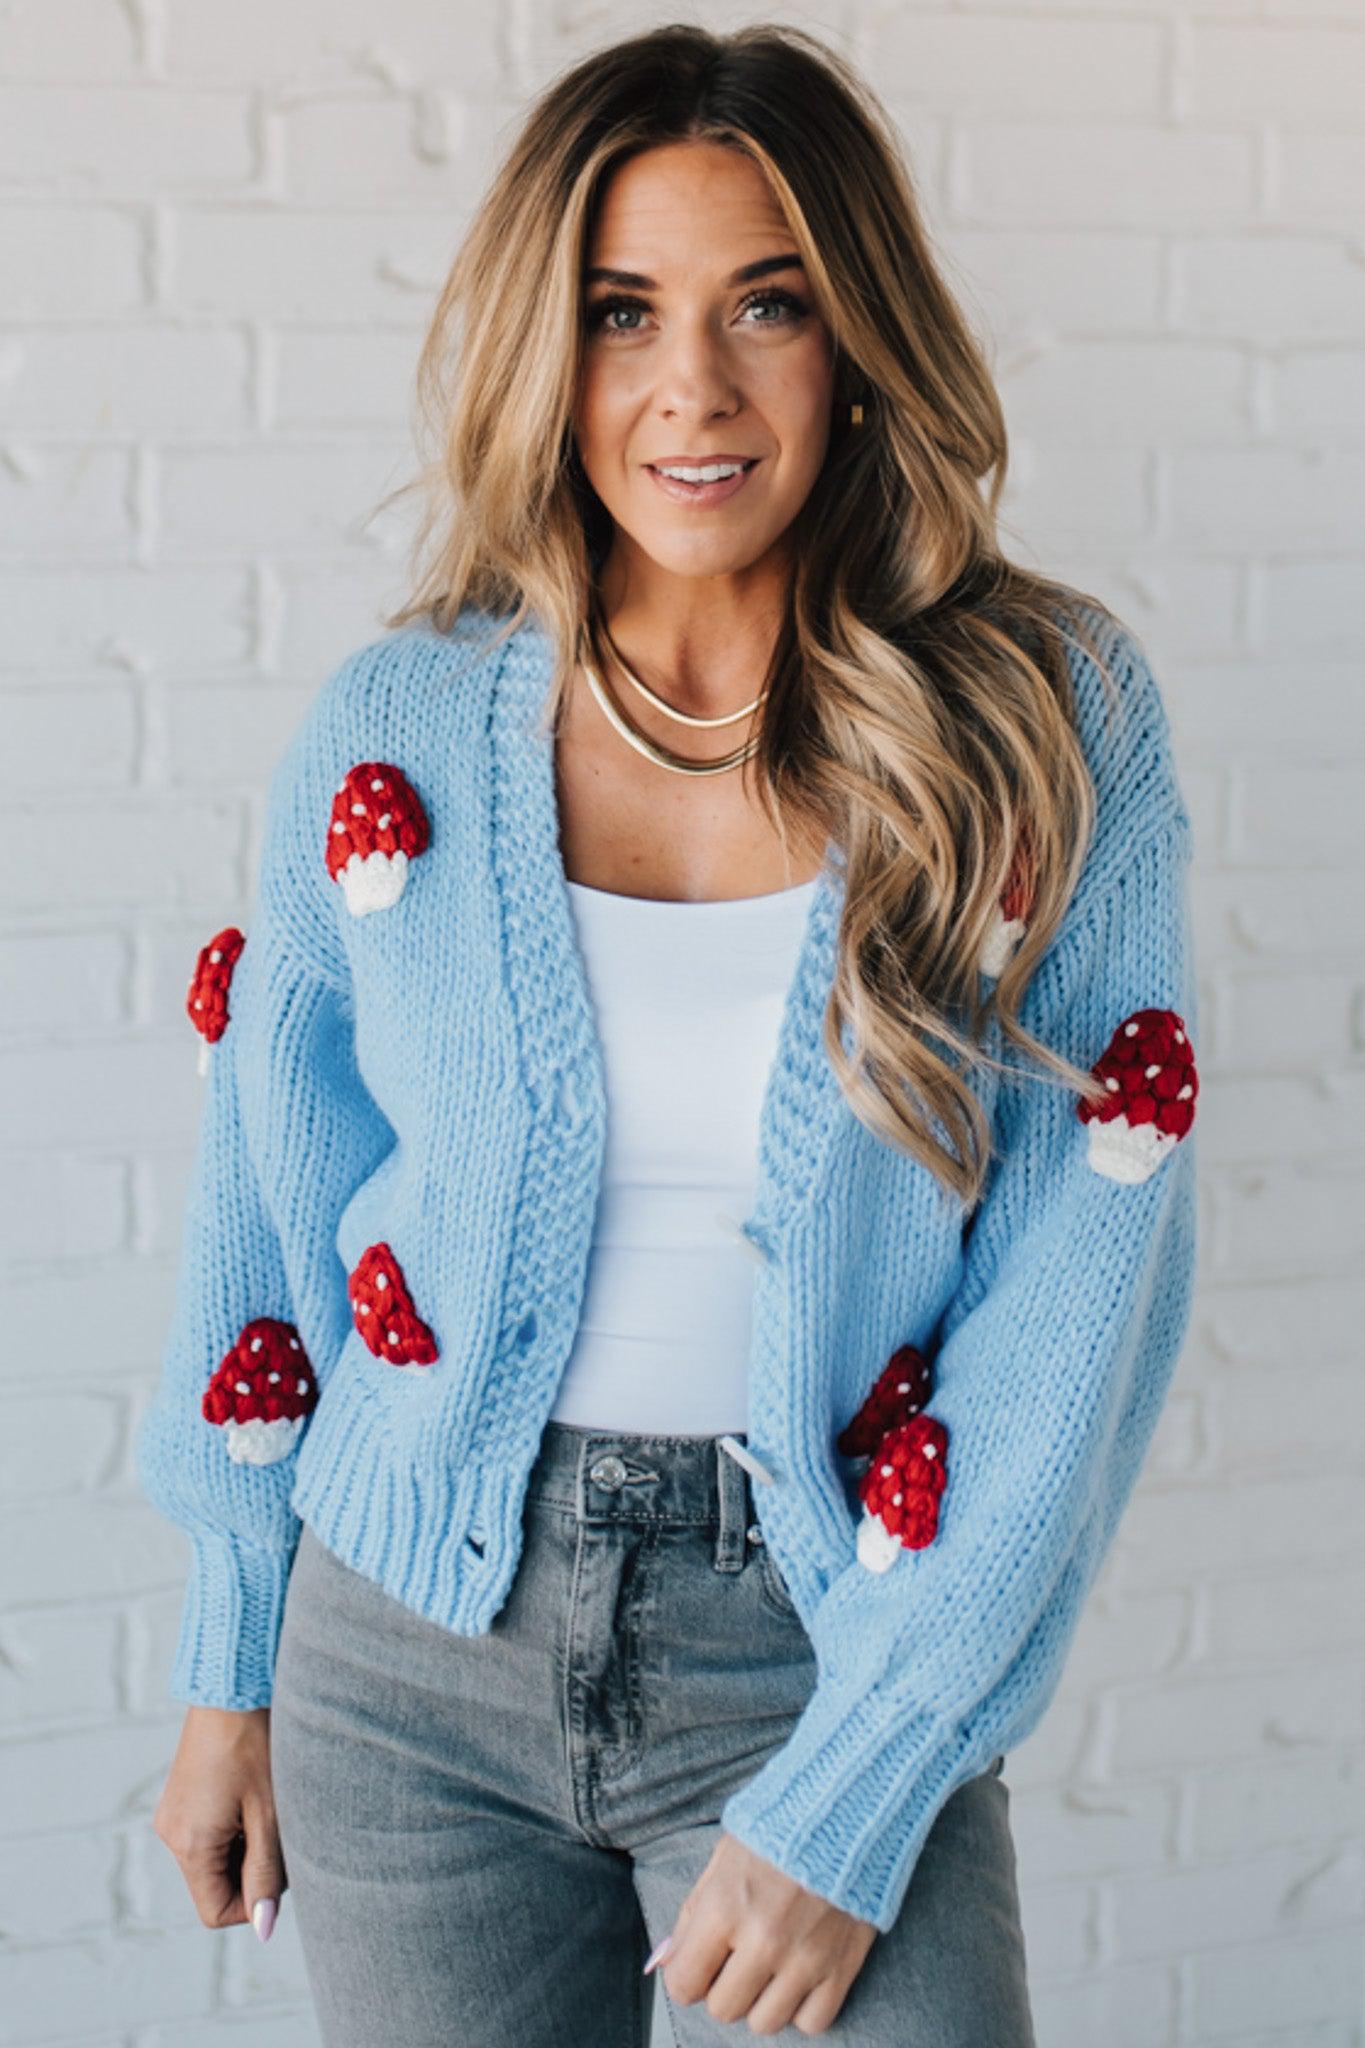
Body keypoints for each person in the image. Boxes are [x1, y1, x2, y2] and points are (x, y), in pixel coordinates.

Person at [137, 23, 1199, 2046]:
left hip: (819, 1635)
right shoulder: (397, 732)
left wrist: (871, 1767)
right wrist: (230, 1656)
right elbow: (265, 1201)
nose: (689, 389)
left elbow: (1084, 1277)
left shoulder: (1038, 727)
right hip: (408, 1656)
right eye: (623, 313)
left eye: (765, 307)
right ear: (554, 349)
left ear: (855, 338)